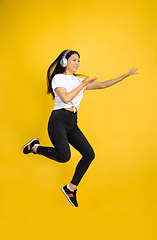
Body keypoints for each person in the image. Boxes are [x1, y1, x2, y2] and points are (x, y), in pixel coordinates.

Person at [23, 49, 138, 207]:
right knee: (64, 157)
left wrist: (122, 77)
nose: (77, 63)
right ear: (65, 62)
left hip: (72, 122)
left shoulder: (78, 81)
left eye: (78, 61)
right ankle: (34, 147)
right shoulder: (58, 78)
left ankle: (70, 189)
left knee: (89, 154)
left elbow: (103, 85)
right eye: (74, 60)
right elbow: (65, 97)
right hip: (58, 120)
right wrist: (83, 85)